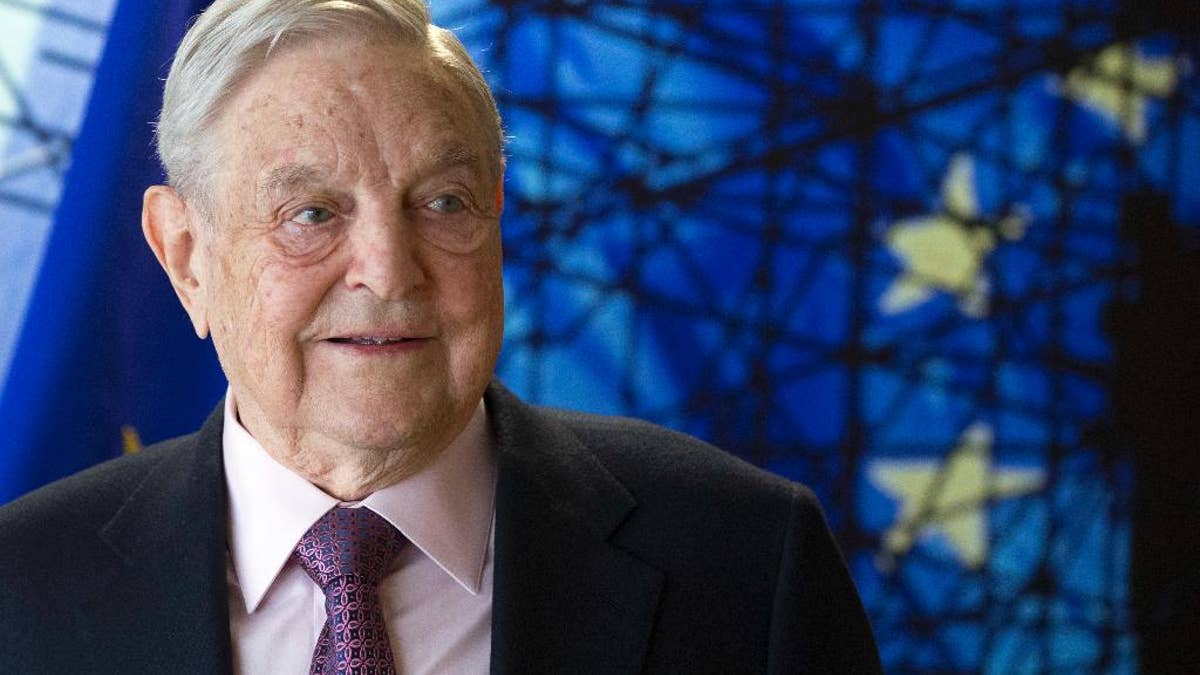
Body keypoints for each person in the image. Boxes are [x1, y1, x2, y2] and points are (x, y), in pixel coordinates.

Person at [0, 0, 880, 672]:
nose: (388, 271)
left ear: (498, 213)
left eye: (443, 203)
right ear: (186, 257)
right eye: (312, 213)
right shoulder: (23, 589)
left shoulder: (750, 562)